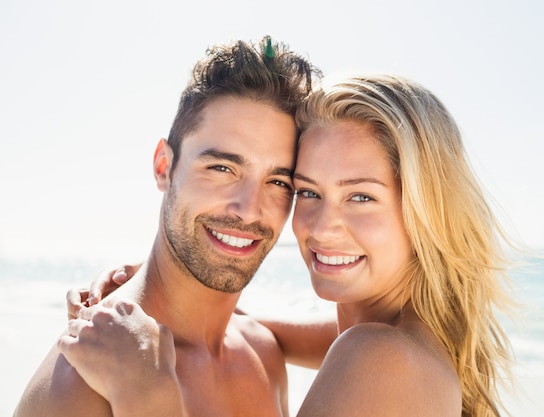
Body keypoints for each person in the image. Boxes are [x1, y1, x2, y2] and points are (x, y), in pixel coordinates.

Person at [64, 73, 519, 417]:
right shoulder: (407, 336)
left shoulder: (381, 356)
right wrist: (169, 302)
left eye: (361, 197)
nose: (322, 228)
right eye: (307, 191)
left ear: (427, 210)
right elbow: (283, 334)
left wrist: (145, 391)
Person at [13, 36, 337, 417]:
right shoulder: (82, 380)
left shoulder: (262, 352)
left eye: (278, 182)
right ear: (164, 167)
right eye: (222, 168)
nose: (250, 210)